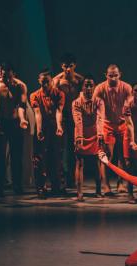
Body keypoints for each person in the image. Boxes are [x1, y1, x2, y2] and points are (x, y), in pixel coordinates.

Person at [0, 62, 28, 196]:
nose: (5, 79)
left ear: (13, 74)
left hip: (15, 123)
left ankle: (17, 186)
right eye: (3, 75)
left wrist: (22, 119)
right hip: (1, 122)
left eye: (8, 75)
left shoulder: (20, 86)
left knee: (17, 157)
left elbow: (22, 105)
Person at [94, 64, 133, 196]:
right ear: (106, 75)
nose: (113, 78)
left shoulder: (126, 87)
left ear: (120, 74)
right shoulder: (100, 88)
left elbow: (129, 106)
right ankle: (106, 185)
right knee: (106, 156)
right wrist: (99, 130)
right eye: (110, 75)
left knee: (122, 156)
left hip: (122, 124)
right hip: (107, 124)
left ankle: (120, 183)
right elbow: (98, 110)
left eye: (115, 75)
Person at [30, 68, 65, 199]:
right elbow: (37, 113)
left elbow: (59, 111)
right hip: (42, 126)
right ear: (39, 81)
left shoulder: (59, 93)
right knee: (39, 158)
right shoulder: (34, 95)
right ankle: (41, 187)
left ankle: (56, 186)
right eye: (43, 82)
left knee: (55, 156)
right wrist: (39, 130)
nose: (45, 84)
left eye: (47, 82)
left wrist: (59, 126)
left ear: (52, 81)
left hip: (55, 127)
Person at [53, 53, 84, 188]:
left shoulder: (80, 80)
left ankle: (72, 178)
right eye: (65, 66)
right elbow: (54, 101)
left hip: (75, 116)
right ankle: (61, 179)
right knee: (60, 149)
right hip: (63, 116)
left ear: (74, 65)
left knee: (74, 149)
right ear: (61, 66)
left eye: (70, 66)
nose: (68, 69)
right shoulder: (57, 81)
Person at [72, 75, 105, 201]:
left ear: (95, 86)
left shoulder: (99, 101)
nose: (89, 88)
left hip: (95, 132)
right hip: (81, 132)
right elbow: (78, 120)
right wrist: (79, 136)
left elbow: (100, 118)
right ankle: (79, 192)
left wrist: (100, 133)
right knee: (79, 162)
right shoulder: (76, 102)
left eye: (91, 85)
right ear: (82, 87)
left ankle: (98, 190)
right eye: (86, 85)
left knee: (97, 162)